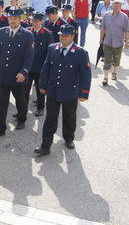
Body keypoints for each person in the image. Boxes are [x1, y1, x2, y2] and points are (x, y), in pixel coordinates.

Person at [34, 24, 91, 156]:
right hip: (53, 90)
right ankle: (45, 146)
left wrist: (84, 93)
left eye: (66, 35)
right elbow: (46, 68)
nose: (63, 37)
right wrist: (42, 85)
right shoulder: (52, 48)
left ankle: (69, 138)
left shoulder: (81, 53)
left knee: (69, 117)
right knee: (50, 119)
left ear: (72, 36)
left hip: (70, 92)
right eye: (61, 35)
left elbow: (85, 74)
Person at [0, 7, 34, 138]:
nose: (12, 20)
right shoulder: (1, 32)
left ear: (20, 19)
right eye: (10, 18)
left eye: (15, 18)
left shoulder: (27, 35)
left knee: (20, 100)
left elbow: (29, 56)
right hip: (3, 74)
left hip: (18, 76)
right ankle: (0, 129)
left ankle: (22, 118)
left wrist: (24, 72)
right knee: (1, 103)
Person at [25, 12, 52, 117]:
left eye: (36, 21)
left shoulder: (47, 34)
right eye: (33, 21)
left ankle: (40, 108)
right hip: (28, 67)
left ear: (41, 21)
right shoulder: (27, 32)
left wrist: (47, 68)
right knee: (25, 91)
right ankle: (23, 109)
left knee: (40, 90)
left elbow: (49, 53)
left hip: (40, 68)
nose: (34, 23)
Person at [100, 0, 129, 86]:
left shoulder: (124, 17)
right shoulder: (106, 15)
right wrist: (101, 39)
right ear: (112, 6)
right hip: (107, 42)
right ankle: (105, 77)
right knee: (107, 60)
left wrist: (127, 42)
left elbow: (127, 31)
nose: (116, 7)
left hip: (118, 43)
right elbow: (103, 28)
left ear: (120, 7)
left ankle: (114, 73)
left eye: (118, 6)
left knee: (116, 60)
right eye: (114, 6)